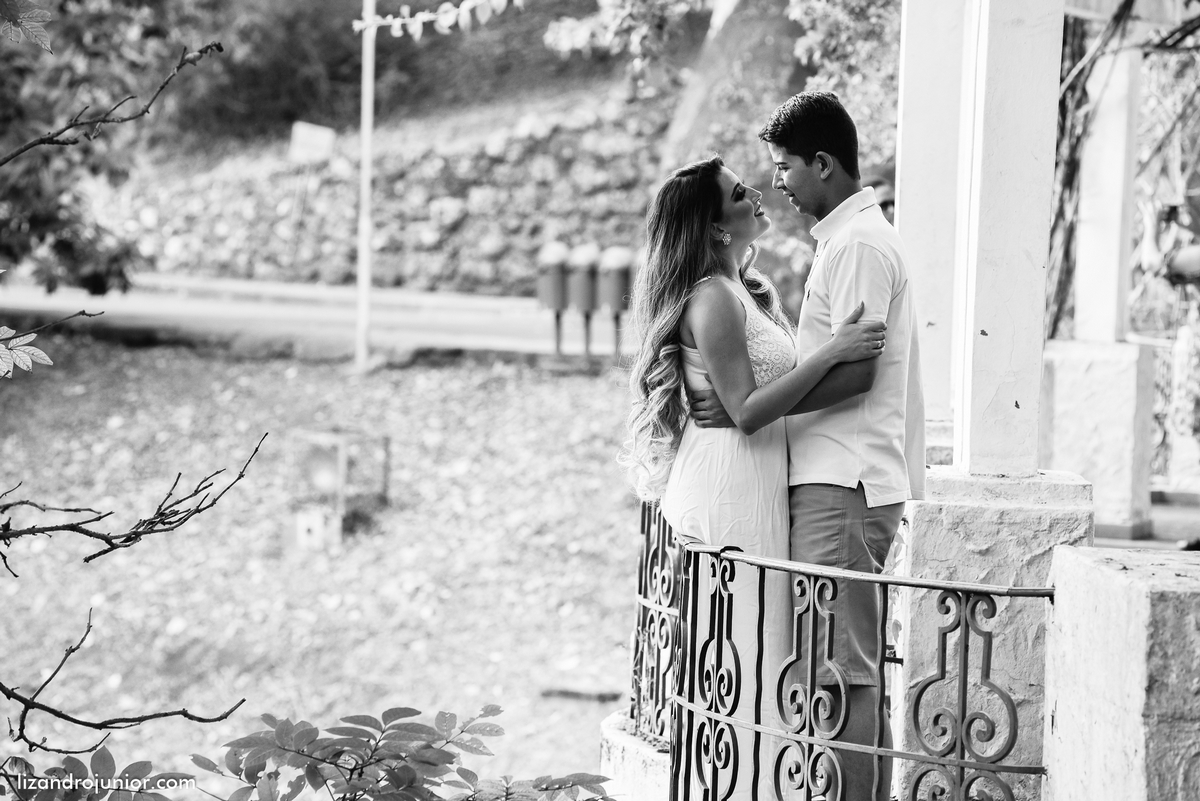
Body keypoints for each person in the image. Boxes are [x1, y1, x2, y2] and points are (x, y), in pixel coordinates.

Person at [621, 155, 887, 800]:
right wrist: (831, 351)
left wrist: (770, 395)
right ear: (716, 226)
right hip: (727, 485)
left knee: (762, 659)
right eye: (740, 192)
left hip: (757, 475)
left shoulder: (738, 288)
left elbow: (751, 400)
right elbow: (743, 411)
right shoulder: (711, 298)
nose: (758, 194)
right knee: (736, 659)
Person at [690, 92, 926, 801]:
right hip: (837, 481)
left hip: (842, 482)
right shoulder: (847, 242)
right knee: (839, 665)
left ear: (823, 163)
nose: (779, 183)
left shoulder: (856, 244)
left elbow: (856, 370)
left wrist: (748, 412)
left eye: (787, 166)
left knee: (839, 671)